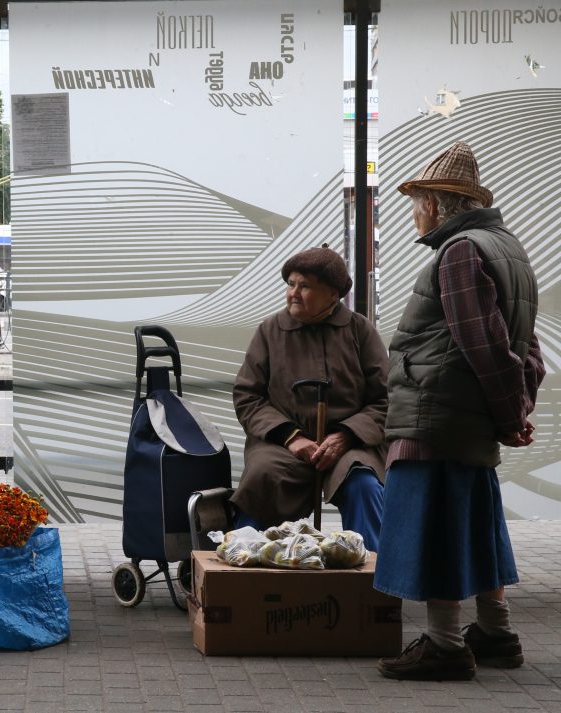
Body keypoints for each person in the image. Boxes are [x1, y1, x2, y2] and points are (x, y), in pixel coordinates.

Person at [375, 141, 543, 681]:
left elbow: (484, 343)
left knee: (437, 528)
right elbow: (525, 345)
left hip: (437, 415)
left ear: (442, 202)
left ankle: (445, 646)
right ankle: (495, 633)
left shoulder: (460, 252)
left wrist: (509, 413)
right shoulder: (507, 248)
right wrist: (515, 409)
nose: (415, 211)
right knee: (475, 524)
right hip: (468, 420)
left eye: (419, 200)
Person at [230, 246, 388, 551]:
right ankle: (236, 566)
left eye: (304, 286)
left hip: (350, 446)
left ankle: (371, 583)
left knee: (364, 485)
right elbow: (247, 395)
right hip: (283, 445)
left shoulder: (360, 331)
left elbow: (385, 399)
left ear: (333, 294)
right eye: (291, 284)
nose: (293, 294)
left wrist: (345, 435)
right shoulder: (270, 330)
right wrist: (291, 437)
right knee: (261, 478)